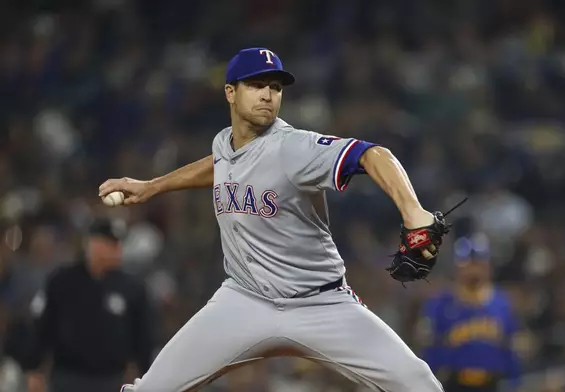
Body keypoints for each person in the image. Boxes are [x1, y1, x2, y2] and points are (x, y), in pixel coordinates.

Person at [100, 47, 445, 392]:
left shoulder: (293, 148)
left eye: (275, 87)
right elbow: (222, 165)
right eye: (256, 85)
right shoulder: (224, 143)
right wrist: (152, 186)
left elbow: (373, 154)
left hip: (321, 303)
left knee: (420, 385)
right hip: (243, 300)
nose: (268, 94)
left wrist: (413, 212)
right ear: (230, 93)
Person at [21, 218, 153, 392]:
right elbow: (44, 326)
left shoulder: (131, 287)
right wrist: (34, 369)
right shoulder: (62, 281)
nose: (118, 250)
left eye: (118, 244)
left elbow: (143, 336)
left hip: (112, 379)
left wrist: (148, 375)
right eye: (110, 244)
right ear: (92, 244)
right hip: (68, 377)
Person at [417, 233, 521, 392]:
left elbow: (512, 347)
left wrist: (515, 382)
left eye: (478, 264)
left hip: (493, 384)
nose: (473, 270)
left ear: (488, 267)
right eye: (468, 265)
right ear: (457, 268)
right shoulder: (439, 305)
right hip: (453, 383)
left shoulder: (502, 304)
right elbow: (428, 349)